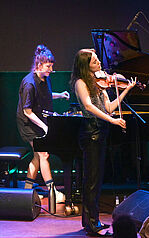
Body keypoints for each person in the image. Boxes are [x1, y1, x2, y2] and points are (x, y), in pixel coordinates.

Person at [69, 49, 136, 236]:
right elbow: (89, 107)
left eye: (98, 60)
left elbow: (109, 107)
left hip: (101, 132)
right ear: (86, 66)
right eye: (95, 61)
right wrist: (112, 120)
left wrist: (125, 92)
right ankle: (91, 224)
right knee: (90, 180)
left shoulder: (99, 83)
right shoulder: (81, 83)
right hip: (91, 133)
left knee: (97, 181)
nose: (99, 63)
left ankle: (93, 221)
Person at [17, 44, 69, 203]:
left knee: (37, 156)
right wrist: (45, 126)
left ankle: (27, 190)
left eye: (51, 66)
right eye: (48, 66)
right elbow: (27, 111)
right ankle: (53, 191)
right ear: (38, 65)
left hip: (38, 122)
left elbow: (45, 96)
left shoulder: (45, 78)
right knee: (43, 154)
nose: (51, 69)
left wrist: (60, 95)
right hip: (28, 124)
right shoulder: (29, 83)